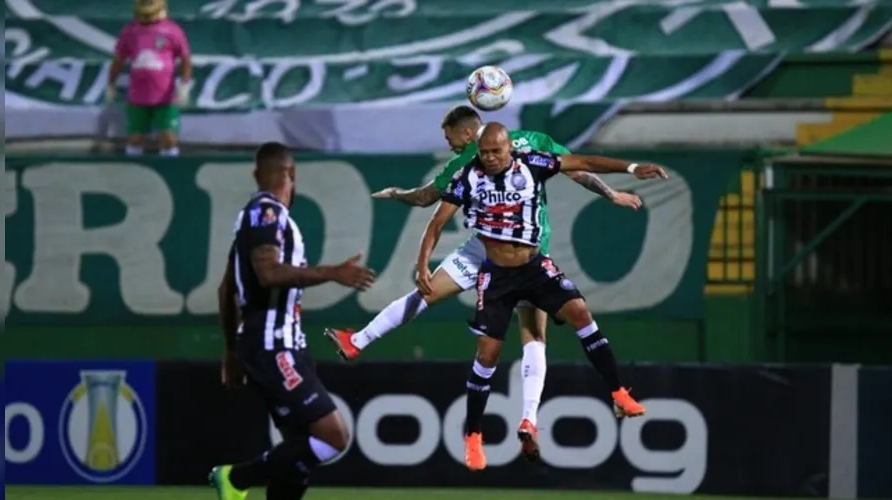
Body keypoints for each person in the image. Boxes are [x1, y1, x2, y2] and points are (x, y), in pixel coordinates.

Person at [324, 105, 642, 461]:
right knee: (531, 336)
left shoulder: (468, 163)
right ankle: (527, 419)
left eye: (451, 140)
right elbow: (579, 170)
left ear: (466, 133)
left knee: (431, 297)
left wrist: (399, 193)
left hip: (525, 255)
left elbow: (426, 197)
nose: (451, 148)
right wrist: (612, 194)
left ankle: (360, 341)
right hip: (494, 250)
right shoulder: (529, 144)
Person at [421, 123, 668, 471]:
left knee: (580, 313)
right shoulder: (468, 177)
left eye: (496, 151)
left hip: (535, 268)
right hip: (496, 276)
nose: (490, 158)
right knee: (488, 356)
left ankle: (618, 393)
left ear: (510, 149)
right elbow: (435, 222)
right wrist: (421, 265)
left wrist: (630, 169)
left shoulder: (534, 163)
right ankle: (474, 436)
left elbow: (584, 162)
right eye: (484, 152)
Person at [209, 142, 376, 500]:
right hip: (274, 345)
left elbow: (226, 289)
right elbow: (267, 273)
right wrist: (332, 272)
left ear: (257, 175)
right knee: (334, 437)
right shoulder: (267, 214)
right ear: (292, 176)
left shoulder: (253, 218)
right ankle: (236, 478)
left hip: (279, 344)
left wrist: (231, 350)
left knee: (298, 452)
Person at [107, 0, 192, 157]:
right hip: (138, 97)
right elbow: (118, 60)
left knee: (168, 138)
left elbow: (185, 59)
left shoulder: (173, 31)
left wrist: (185, 84)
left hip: (165, 97)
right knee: (135, 139)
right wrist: (110, 83)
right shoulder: (130, 31)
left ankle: (171, 169)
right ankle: (133, 173)